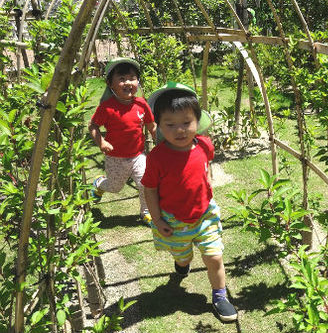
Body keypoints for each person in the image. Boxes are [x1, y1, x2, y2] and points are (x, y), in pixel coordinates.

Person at [141, 82, 238, 322]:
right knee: (183, 257)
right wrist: (157, 218)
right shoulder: (157, 157)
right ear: (160, 127)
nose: (180, 130)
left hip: (205, 215)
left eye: (186, 122)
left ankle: (220, 296)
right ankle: (182, 263)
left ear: (197, 120)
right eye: (170, 125)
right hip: (174, 221)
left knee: (214, 257)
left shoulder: (204, 145)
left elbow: (204, 166)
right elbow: (150, 189)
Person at [88, 57, 156, 225]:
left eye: (132, 78)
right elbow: (93, 125)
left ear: (138, 82)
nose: (128, 82)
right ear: (110, 84)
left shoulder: (141, 104)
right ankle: (100, 183)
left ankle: (145, 212)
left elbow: (151, 126)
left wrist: (160, 142)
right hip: (115, 158)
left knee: (144, 183)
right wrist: (101, 142)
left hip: (138, 156)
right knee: (115, 187)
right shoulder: (107, 107)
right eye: (122, 79)